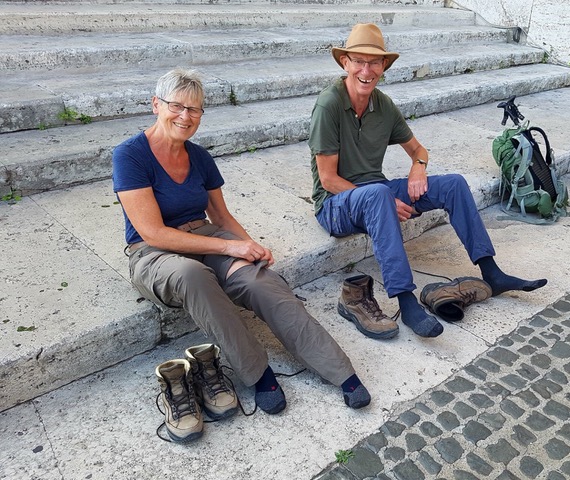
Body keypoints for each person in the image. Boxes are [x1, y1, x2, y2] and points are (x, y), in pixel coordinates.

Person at [112, 68, 371, 440]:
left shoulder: (199, 157)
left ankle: (339, 370)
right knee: (193, 276)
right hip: (153, 253)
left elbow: (220, 216)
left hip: (204, 235)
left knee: (259, 281)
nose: (185, 116)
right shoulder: (130, 155)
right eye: (176, 106)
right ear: (156, 105)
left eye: (195, 110)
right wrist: (229, 246)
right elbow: (153, 231)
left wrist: (252, 248)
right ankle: (257, 374)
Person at [308, 23, 547, 340]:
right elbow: (328, 179)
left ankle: (492, 272)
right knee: (378, 193)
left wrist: (418, 167)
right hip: (335, 206)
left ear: (384, 66)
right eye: (358, 61)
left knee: (453, 184)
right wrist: (386, 201)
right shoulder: (329, 104)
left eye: (374, 62)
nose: (366, 70)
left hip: (376, 194)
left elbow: (418, 149)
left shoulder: (383, 105)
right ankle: (407, 303)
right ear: (345, 63)